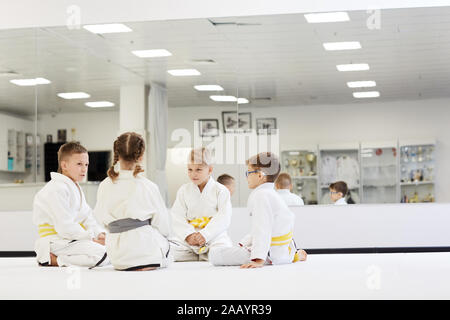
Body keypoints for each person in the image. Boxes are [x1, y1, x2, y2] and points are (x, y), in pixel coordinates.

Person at [209, 152, 307, 268]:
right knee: (233, 249)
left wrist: (258, 259)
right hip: (283, 250)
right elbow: (263, 228)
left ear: (260, 176)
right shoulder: (269, 194)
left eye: (248, 173)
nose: (247, 177)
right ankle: (293, 255)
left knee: (215, 254)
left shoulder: (261, 196)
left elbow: (263, 229)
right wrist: (244, 243)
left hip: (270, 255)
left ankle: (279, 256)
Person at [94, 132, 171, 271]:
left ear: (117, 154)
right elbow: (163, 226)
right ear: (141, 157)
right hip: (145, 250)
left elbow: (99, 219)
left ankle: (133, 261)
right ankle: (146, 262)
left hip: (117, 256)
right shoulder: (148, 186)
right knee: (169, 244)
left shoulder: (104, 185)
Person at [33, 141, 108, 268]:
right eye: (79, 164)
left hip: (70, 239)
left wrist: (99, 234)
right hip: (55, 240)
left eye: (86, 164)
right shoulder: (56, 189)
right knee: (103, 255)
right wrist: (91, 239)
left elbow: (87, 217)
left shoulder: (74, 186)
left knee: (112, 251)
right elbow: (64, 226)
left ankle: (58, 258)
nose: (84, 169)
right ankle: (54, 259)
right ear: (64, 165)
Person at [170, 147, 233, 261]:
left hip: (213, 237)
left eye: (198, 169)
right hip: (190, 239)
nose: (193, 174)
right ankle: (199, 255)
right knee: (169, 250)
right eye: (190, 169)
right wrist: (188, 235)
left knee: (222, 251)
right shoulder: (184, 190)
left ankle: (205, 255)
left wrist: (205, 234)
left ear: (209, 169)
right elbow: (177, 216)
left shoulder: (220, 190)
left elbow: (224, 216)